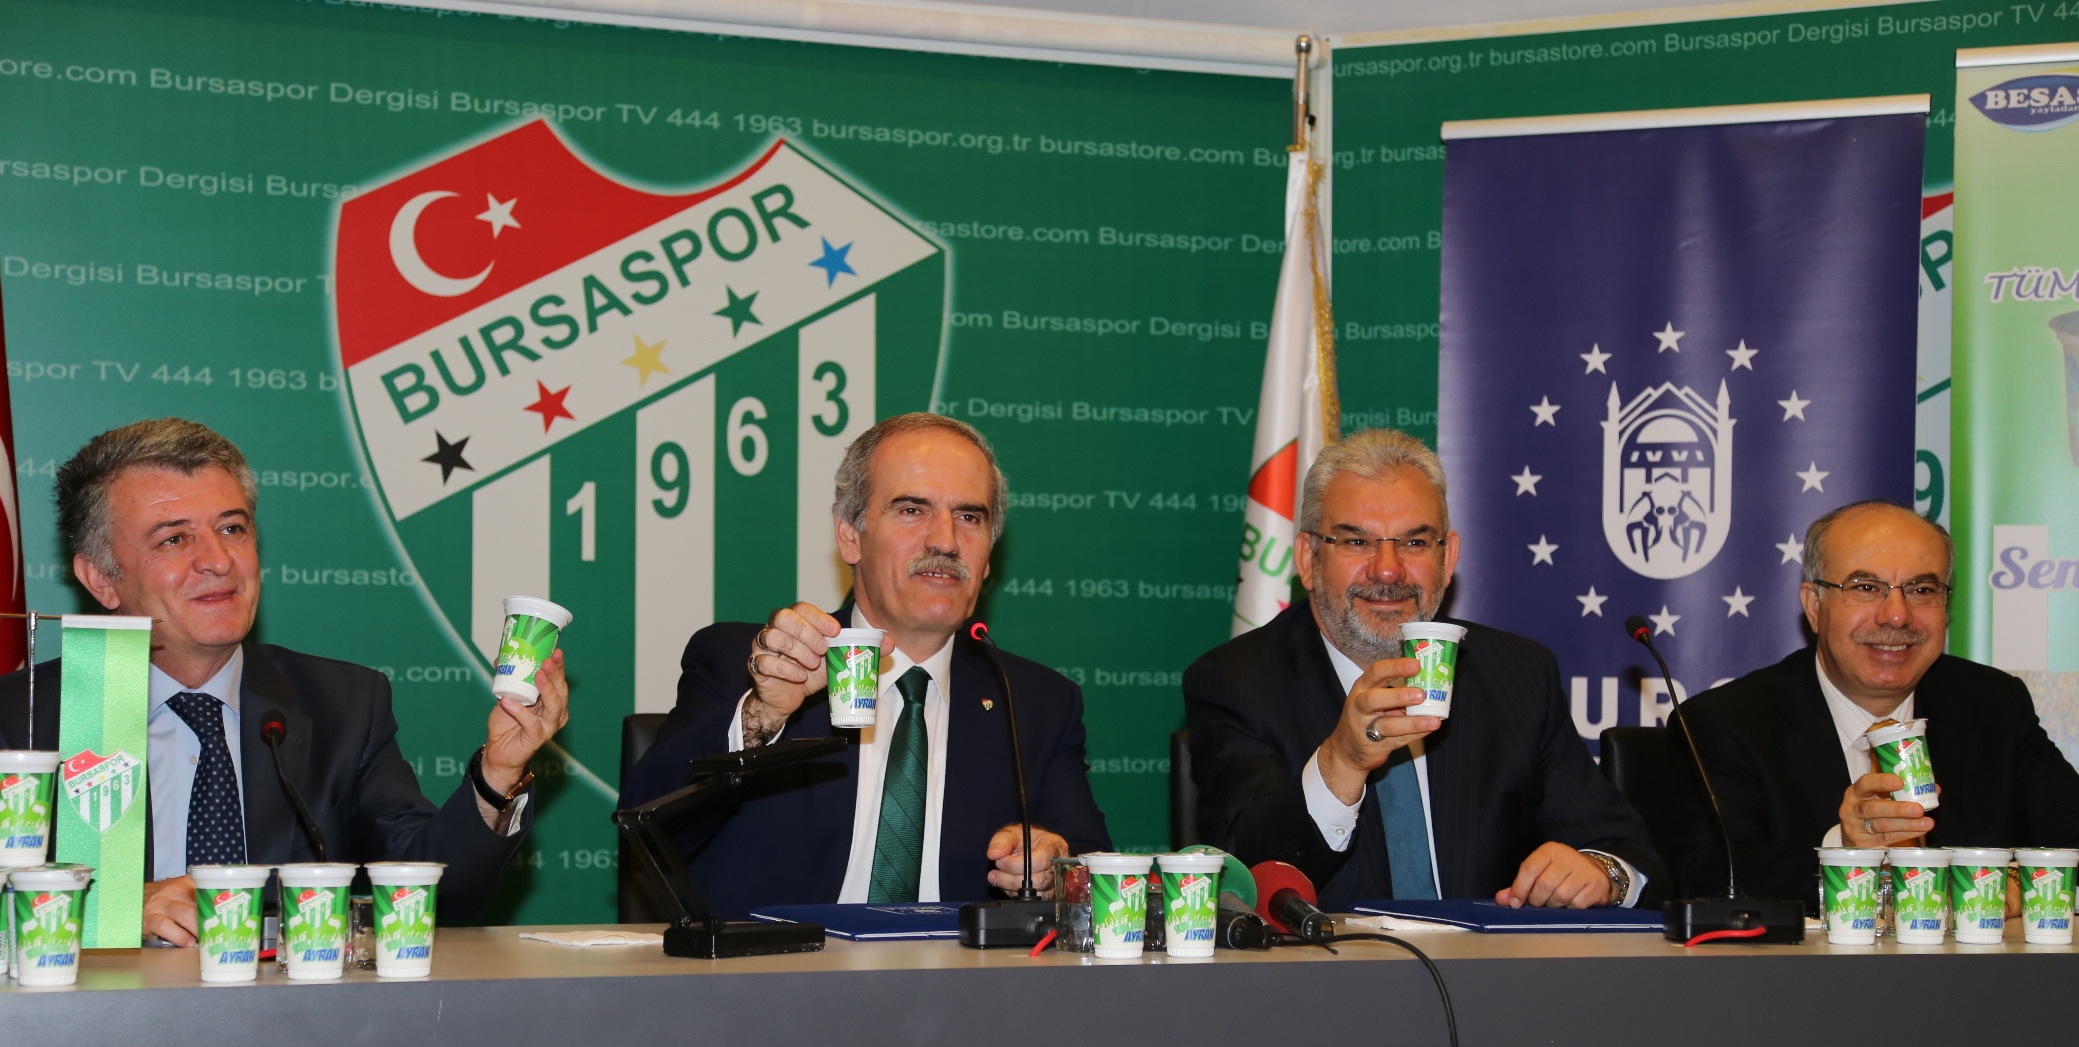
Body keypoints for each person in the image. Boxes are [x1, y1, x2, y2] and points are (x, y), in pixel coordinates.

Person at [0, 419, 567, 943]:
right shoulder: (21, 720)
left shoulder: (343, 706)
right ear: (101, 579)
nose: (219, 560)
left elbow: (437, 893)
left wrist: (498, 773)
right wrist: (112, 907)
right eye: (174, 539)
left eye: (232, 528)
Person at [620, 413, 1109, 918]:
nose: (945, 540)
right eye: (912, 510)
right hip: (778, 966)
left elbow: (1093, 868)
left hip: (955, 967)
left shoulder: (1034, 702)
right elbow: (649, 829)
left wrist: (1052, 867)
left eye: (969, 517)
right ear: (850, 535)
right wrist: (763, 715)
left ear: (987, 558)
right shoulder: (750, 663)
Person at [1186, 428, 1664, 911]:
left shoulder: (1519, 675)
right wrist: (1342, 763)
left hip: (1489, 960)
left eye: (1414, 542)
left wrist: (1602, 874)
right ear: (1309, 559)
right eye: (1356, 541)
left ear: (1447, 557)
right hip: (1329, 959)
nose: (1388, 570)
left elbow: (1625, 850)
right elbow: (1245, 876)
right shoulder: (1237, 682)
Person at [1672, 501, 2079, 907]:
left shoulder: (1993, 705)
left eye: (1922, 590)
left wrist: (2011, 883)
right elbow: (1705, 876)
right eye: (1865, 588)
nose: (1897, 616)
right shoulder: (1727, 722)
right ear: (1814, 606)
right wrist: (1844, 848)